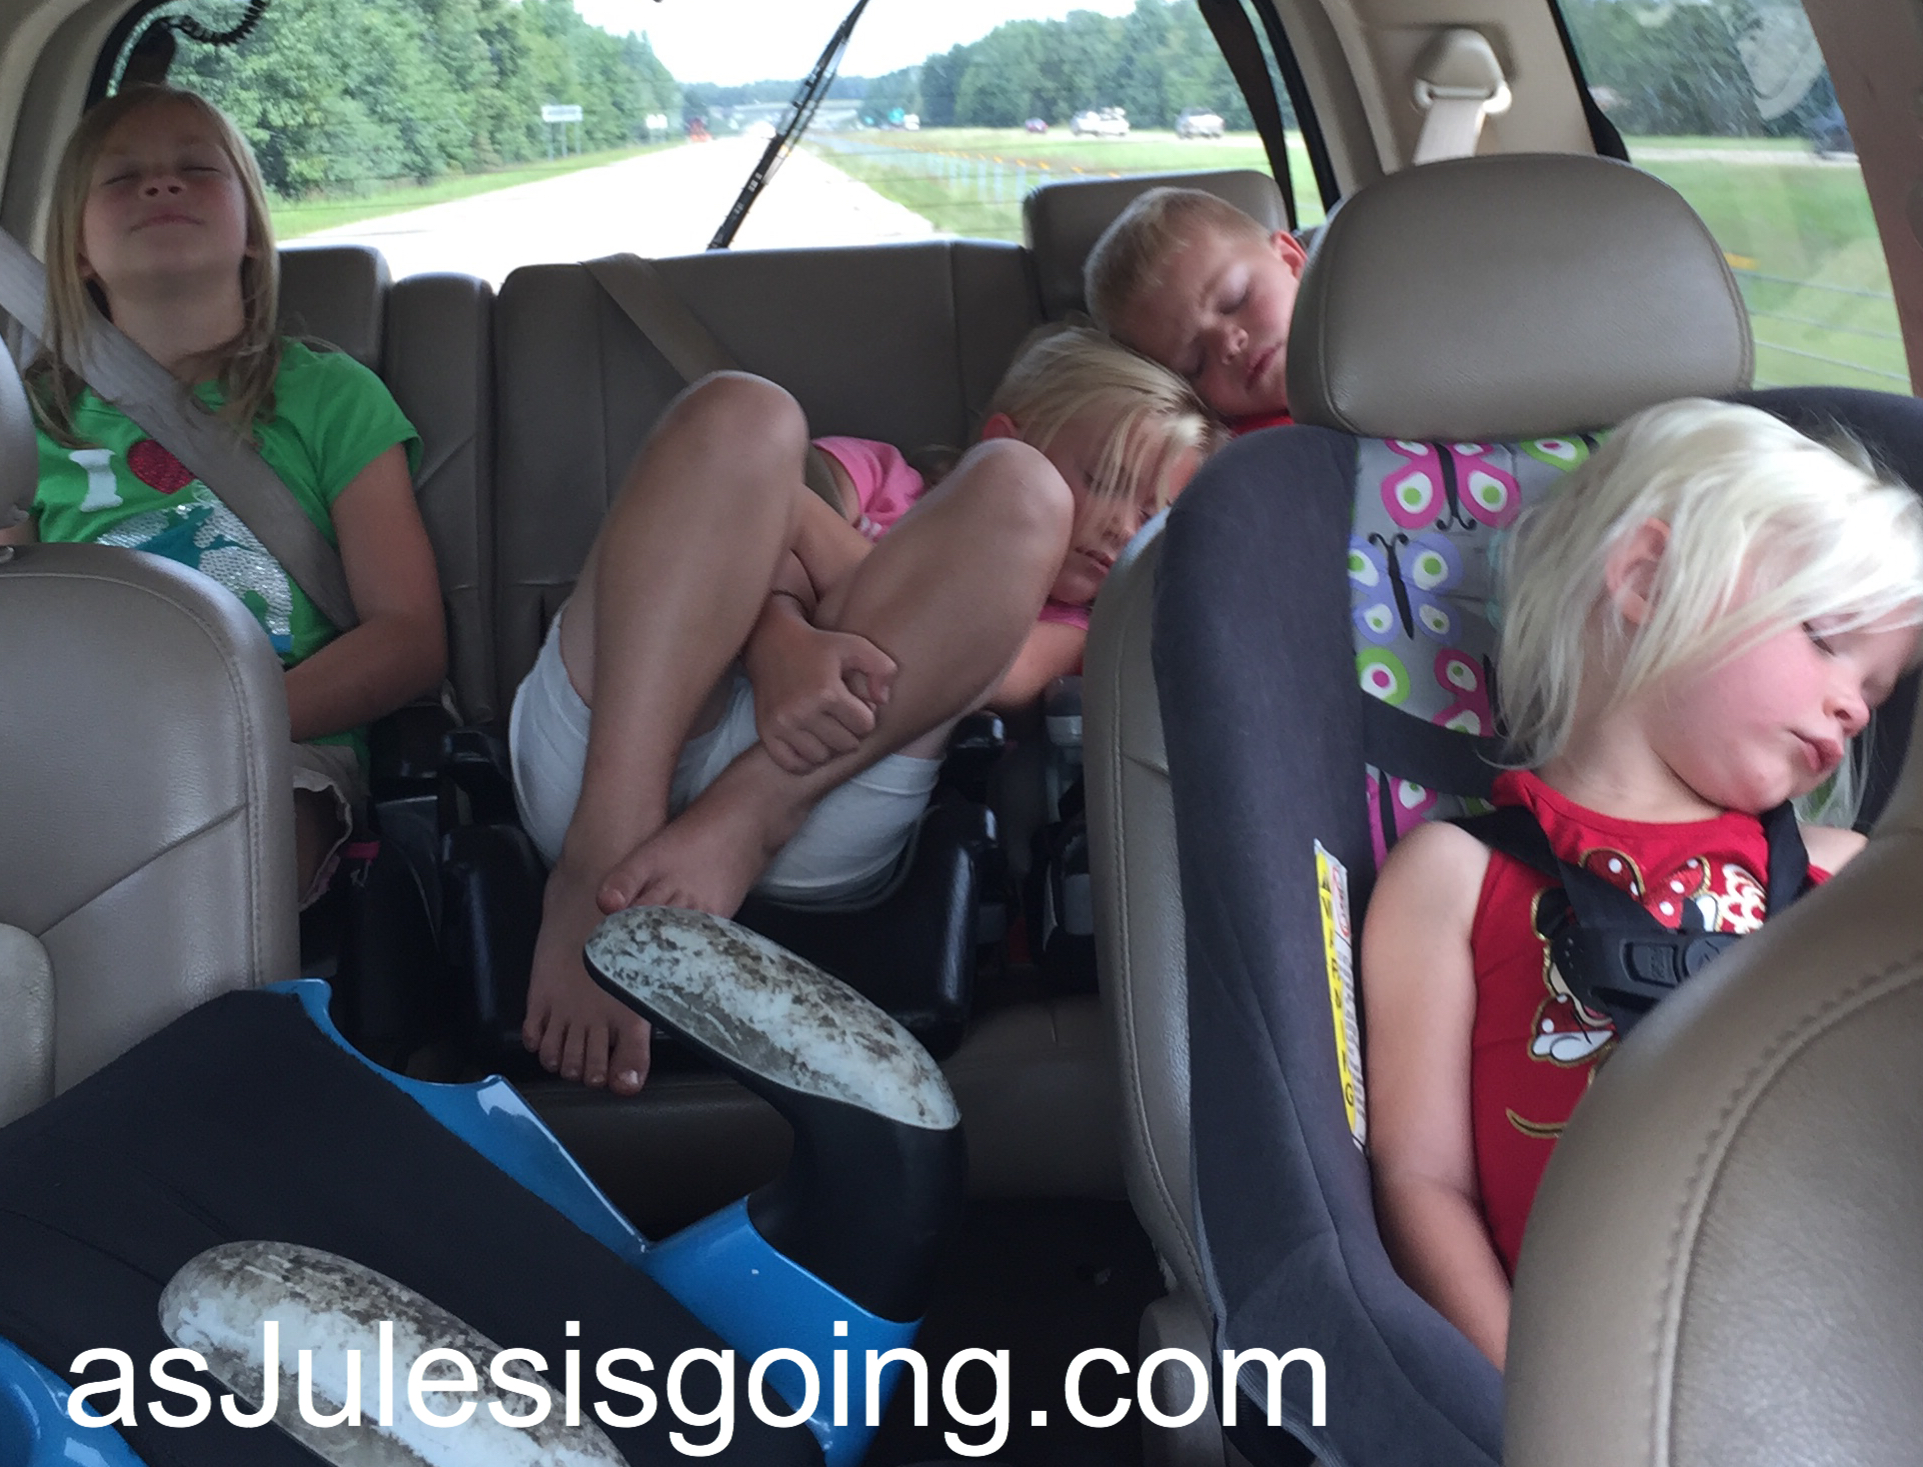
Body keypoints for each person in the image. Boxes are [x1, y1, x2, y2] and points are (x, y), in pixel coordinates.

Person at [1359, 399, 1923, 1370]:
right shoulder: (1452, 878)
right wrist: (1531, 1408)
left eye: (1876, 690)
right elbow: (1421, 1183)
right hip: (1594, 1383)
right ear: (1648, 579)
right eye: (1826, 638)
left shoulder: (1852, 876)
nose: (1853, 708)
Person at [512, 326, 1221, 1095]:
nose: (1124, 527)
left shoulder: (1088, 625)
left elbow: (997, 670)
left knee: (1024, 493)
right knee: (743, 411)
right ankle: (598, 859)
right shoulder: (878, 477)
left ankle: (746, 816)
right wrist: (781, 638)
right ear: (1001, 431)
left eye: (1155, 514)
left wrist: (796, 552)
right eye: (1107, 479)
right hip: (623, 729)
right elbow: (726, 501)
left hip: (820, 785)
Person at [0, 85, 446, 904]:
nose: (161, 184)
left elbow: (408, 635)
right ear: (78, 251)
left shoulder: (329, 397)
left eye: (197, 169)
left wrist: (218, 724)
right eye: (122, 177)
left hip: (279, 739)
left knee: (227, 868)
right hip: (77, 745)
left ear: (251, 231)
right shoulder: (29, 421)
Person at [1084, 186, 1307, 432]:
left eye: (1236, 300)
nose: (1228, 345)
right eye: (1196, 363)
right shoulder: (1257, 448)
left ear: (1290, 260)